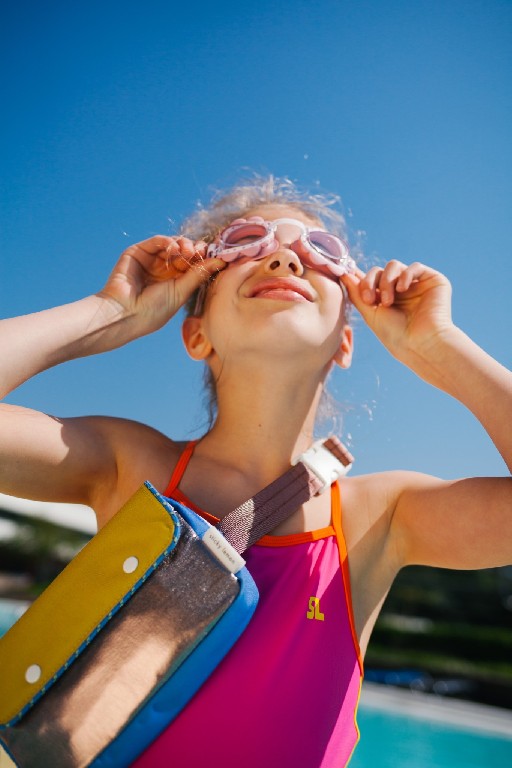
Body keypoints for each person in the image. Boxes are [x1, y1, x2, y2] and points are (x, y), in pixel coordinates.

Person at [0, 175, 511, 767]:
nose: (284, 254)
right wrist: (105, 312)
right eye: (246, 241)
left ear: (346, 342)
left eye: (322, 252)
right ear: (196, 332)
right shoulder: (128, 465)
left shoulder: (381, 518)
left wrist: (442, 347)